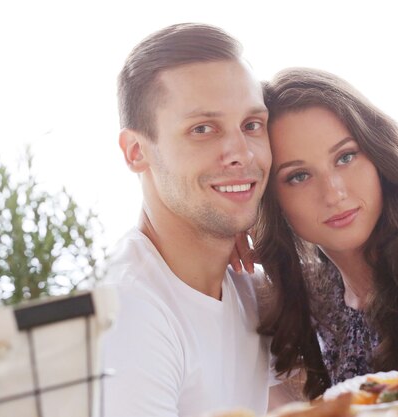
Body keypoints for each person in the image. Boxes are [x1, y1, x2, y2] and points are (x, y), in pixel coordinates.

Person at [253, 68, 398, 399]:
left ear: (378, 155)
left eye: (346, 157)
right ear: (271, 201)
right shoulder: (316, 301)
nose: (334, 193)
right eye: (299, 176)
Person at [102, 23, 276, 417]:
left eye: (251, 126)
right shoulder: (128, 314)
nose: (241, 154)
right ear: (135, 152)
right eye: (202, 129)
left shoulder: (245, 285)